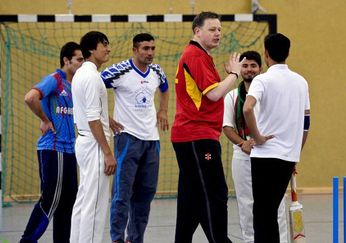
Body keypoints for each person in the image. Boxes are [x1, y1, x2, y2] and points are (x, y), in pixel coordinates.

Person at [170, 11, 243, 243]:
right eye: (212, 29)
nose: (218, 33)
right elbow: (214, 94)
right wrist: (234, 74)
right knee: (214, 195)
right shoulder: (196, 56)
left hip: (196, 136)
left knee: (191, 199)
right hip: (196, 136)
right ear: (197, 31)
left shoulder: (200, 56)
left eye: (220, 29)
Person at [100, 33, 169, 243]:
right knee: (122, 194)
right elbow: (92, 89)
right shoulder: (120, 70)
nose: (150, 53)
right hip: (127, 138)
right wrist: (106, 117)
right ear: (135, 50)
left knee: (146, 193)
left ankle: (135, 239)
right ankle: (117, 239)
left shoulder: (157, 71)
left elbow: (165, 88)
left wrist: (163, 111)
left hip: (152, 141)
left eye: (152, 48)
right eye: (145, 48)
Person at [243, 33, 310, 243]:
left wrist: (258, 137)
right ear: (288, 53)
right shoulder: (301, 82)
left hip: (265, 155)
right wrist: (296, 152)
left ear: (266, 54)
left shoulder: (262, 80)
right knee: (271, 209)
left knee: (263, 213)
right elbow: (306, 123)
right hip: (288, 156)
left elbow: (247, 109)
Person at [223, 50, 288, 243]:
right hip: (243, 157)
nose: (249, 69)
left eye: (253, 65)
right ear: (240, 69)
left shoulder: (272, 93)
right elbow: (227, 127)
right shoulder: (232, 96)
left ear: (261, 68)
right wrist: (243, 143)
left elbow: (281, 124)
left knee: (275, 204)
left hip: (271, 155)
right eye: (245, 65)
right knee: (247, 204)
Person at [21, 42, 83, 243]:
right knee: (50, 199)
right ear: (66, 60)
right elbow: (30, 98)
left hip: (69, 150)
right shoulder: (55, 80)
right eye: (79, 60)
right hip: (53, 147)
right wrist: (45, 119)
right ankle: (27, 240)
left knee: (68, 202)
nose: (82, 63)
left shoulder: (75, 86)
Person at [70, 31, 116, 243]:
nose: (107, 48)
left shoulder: (81, 74)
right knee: (95, 204)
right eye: (103, 45)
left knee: (84, 200)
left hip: (85, 141)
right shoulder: (91, 76)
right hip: (94, 145)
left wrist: (109, 121)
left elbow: (92, 111)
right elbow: (92, 119)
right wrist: (108, 153)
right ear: (91, 49)